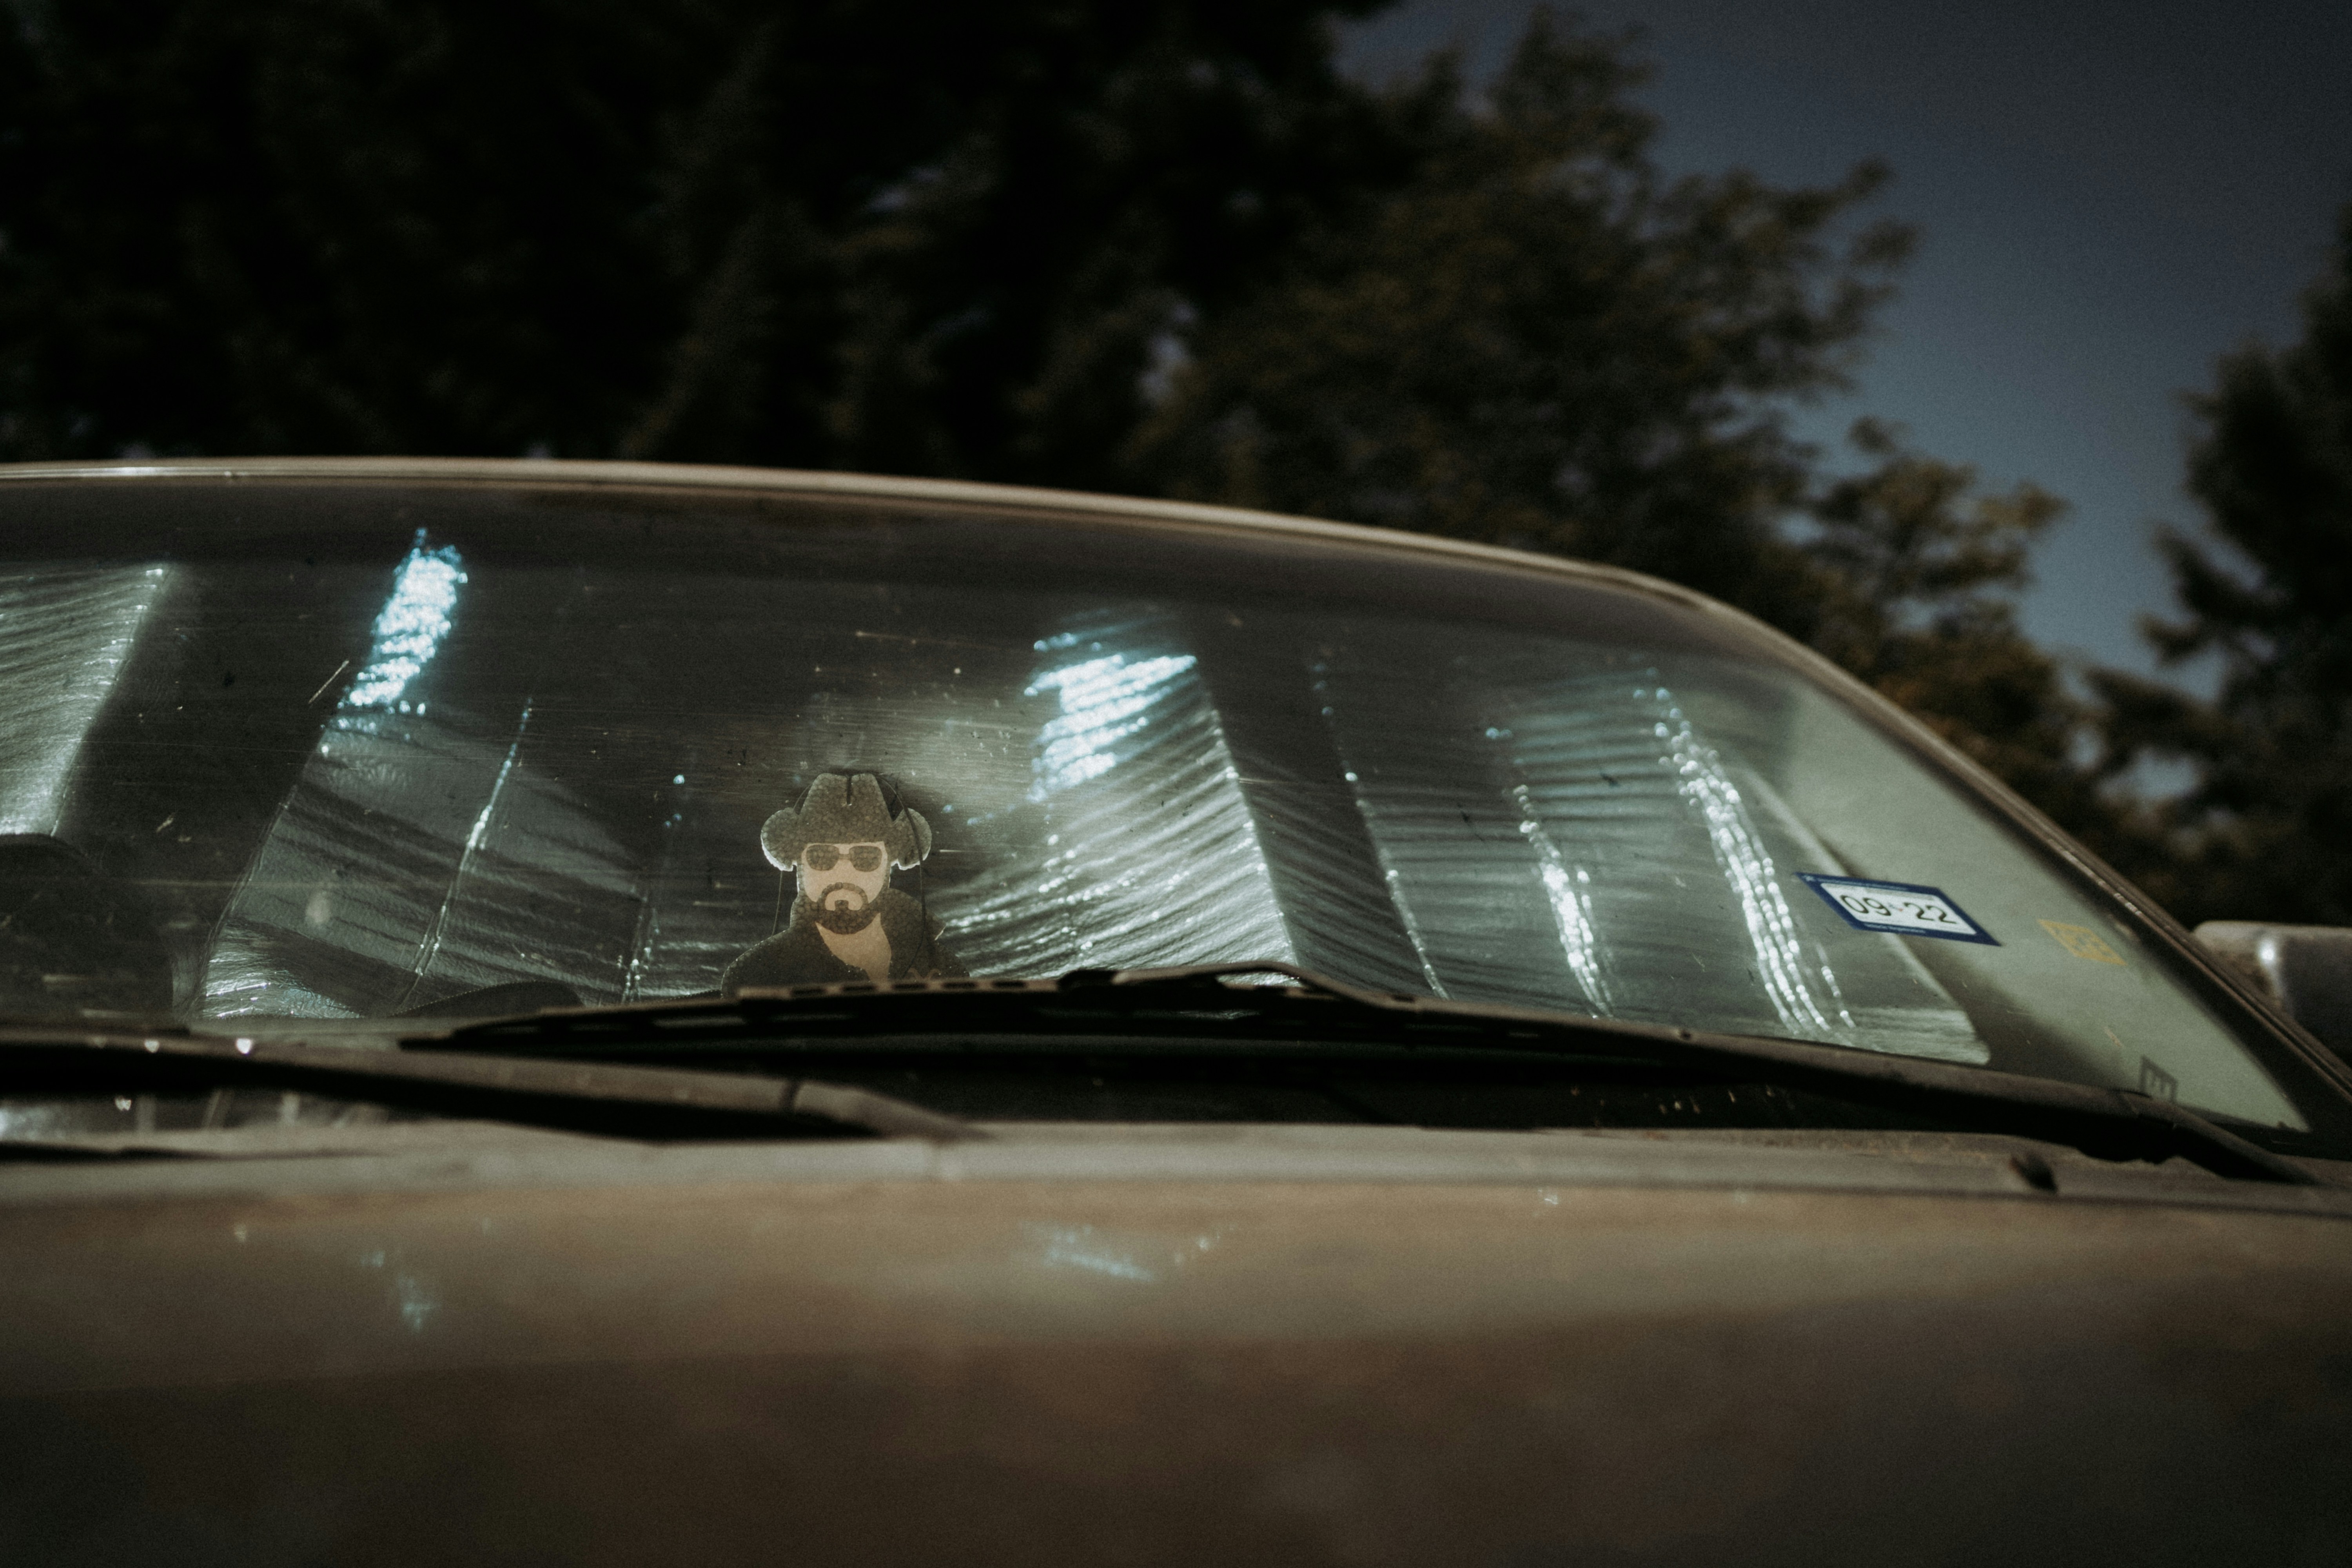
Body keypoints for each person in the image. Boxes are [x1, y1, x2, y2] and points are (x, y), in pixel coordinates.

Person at [720, 771, 966, 990]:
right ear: (799, 864)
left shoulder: (944, 973)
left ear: (888, 864)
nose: (842, 872)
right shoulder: (758, 977)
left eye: (866, 858)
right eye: (822, 858)